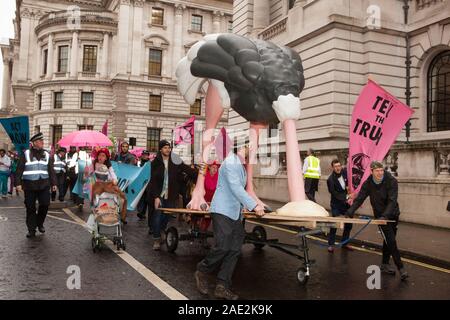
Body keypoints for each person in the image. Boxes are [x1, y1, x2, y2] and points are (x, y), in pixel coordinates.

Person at [195, 140, 265, 300]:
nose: (253, 151)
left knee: (234, 249)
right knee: (223, 246)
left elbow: (238, 190)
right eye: (251, 147)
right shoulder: (231, 161)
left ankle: (222, 285)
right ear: (243, 147)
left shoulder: (241, 166)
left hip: (234, 214)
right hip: (222, 211)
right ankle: (202, 270)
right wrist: (254, 206)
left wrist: (244, 206)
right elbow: (235, 188)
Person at [346, 161, 409, 280]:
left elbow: (392, 201)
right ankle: (401, 268)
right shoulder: (368, 183)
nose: (380, 173)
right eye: (377, 171)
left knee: (389, 240)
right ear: (372, 171)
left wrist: (386, 216)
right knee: (391, 240)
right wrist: (351, 210)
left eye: (382, 170)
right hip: (380, 216)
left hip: (392, 214)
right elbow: (360, 199)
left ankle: (385, 264)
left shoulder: (391, 181)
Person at [148, 140, 197, 250]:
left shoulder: (175, 159)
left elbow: (186, 169)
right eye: (165, 148)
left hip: (171, 194)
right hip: (159, 194)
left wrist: (200, 173)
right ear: (160, 149)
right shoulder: (155, 162)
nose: (167, 150)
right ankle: (156, 239)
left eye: (169, 148)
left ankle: (161, 229)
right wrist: (156, 197)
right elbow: (154, 181)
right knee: (157, 216)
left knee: (167, 215)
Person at [15, 133, 57, 238]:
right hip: (29, 185)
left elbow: (51, 170)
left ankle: (39, 223)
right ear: (34, 143)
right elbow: (19, 169)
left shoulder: (47, 154)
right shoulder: (25, 154)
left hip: (44, 185)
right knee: (30, 208)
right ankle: (31, 229)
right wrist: (18, 183)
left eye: (42, 141)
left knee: (45, 204)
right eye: (39, 141)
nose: (42, 142)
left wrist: (54, 183)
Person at [326, 159, 353, 253]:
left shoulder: (345, 172)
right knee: (335, 224)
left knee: (349, 224)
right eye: (335, 166)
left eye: (339, 166)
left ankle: (345, 243)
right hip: (336, 204)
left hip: (346, 204)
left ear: (341, 166)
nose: (338, 168)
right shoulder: (330, 180)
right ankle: (330, 244)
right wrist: (347, 196)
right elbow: (334, 193)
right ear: (332, 168)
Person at [137, 150, 151, 220]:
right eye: (144, 154)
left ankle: (142, 213)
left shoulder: (150, 163)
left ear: (148, 156)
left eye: (146, 155)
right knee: (141, 198)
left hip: (147, 184)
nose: (145, 156)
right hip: (140, 183)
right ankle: (140, 212)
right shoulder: (139, 163)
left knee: (146, 199)